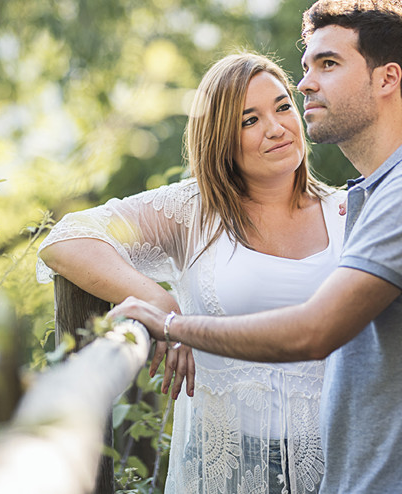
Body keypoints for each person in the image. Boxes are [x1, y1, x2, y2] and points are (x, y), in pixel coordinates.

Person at [111, 0, 402, 493]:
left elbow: (314, 332)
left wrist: (171, 324)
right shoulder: (379, 193)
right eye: (306, 66)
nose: (305, 83)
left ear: (387, 78)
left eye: (328, 64)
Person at [36, 52, 347, 494]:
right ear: (221, 138)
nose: (276, 128)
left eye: (282, 107)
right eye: (249, 121)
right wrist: (161, 305)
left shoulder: (347, 212)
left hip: (337, 462)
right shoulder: (193, 213)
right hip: (227, 469)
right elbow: (67, 239)